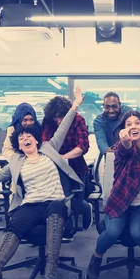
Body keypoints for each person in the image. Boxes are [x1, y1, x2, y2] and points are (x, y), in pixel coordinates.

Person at [0, 88, 84, 279]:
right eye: (20, 138)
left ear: (36, 139)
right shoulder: (17, 161)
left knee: (56, 208)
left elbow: (64, 126)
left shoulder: (50, 148)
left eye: (28, 136)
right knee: (16, 221)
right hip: (31, 204)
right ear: (19, 144)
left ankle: (51, 269)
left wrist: (76, 104)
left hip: (55, 201)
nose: (25, 139)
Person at [86, 111, 140, 279]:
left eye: (137, 123)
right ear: (123, 129)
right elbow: (125, 147)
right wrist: (124, 139)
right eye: (128, 124)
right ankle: (96, 258)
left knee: (138, 233)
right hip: (120, 203)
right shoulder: (121, 150)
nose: (133, 126)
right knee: (111, 232)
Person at [41, 95, 92, 229]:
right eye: (55, 117)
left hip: (76, 167)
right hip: (53, 168)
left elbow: (83, 146)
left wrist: (63, 158)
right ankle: (65, 230)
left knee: (76, 203)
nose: (58, 121)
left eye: (61, 116)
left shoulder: (78, 120)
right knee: (59, 200)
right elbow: (45, 143)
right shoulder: (48, 121)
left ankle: (87, 208)